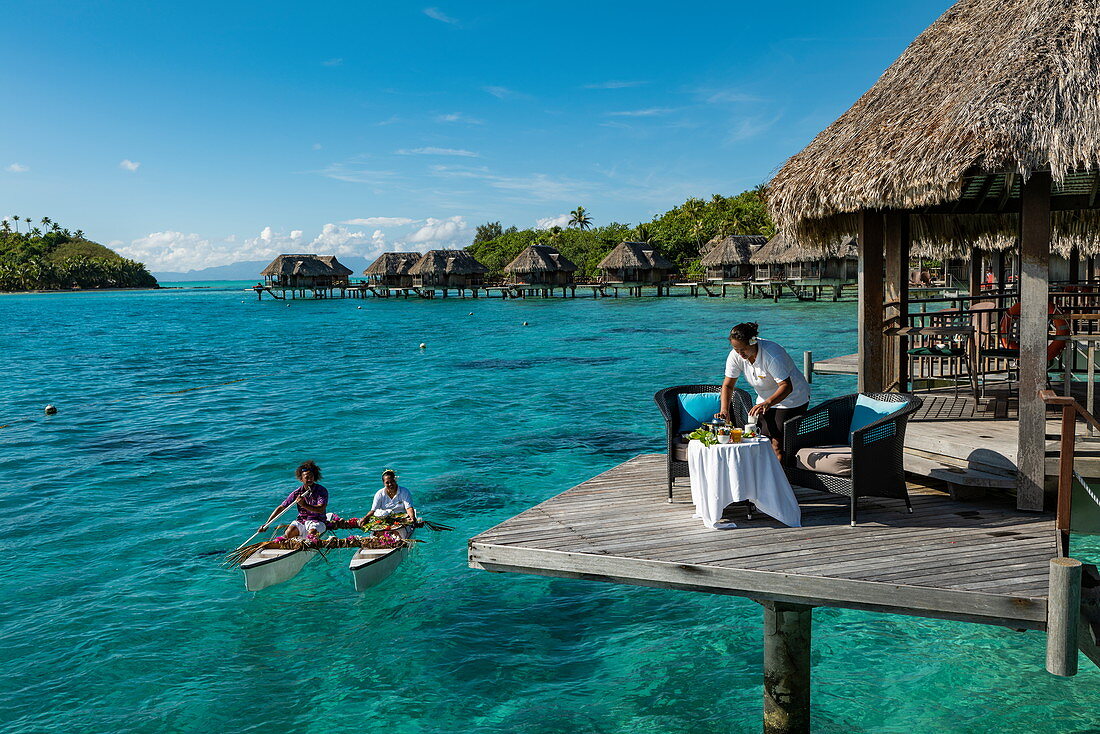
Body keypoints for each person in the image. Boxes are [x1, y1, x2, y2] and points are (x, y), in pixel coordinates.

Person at [715, 322, 810, 461]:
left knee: (777, 445)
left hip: (792, 399)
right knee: (759, 441)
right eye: (736, 349)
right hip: (764, 400)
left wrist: (767, 403)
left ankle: (779, 481)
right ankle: (763, 478)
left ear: (753, 342)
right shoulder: (735, 356)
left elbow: (786, 386)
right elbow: (728, 386)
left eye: (743, 349)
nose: (740, 353)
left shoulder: (772, 355)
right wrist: (725, 410)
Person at [258, 460, 330, 539]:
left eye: (311, 477)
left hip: (318, 521)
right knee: (289, 532)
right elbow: (282, 507)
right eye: (307, 477)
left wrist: (304, 505)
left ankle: (309, 542)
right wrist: (267, 524)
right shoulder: (297, 493)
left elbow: (321, 509)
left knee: (312, 532)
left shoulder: (321, 491)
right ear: (301, 479)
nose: (310, 479)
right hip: (302, 521)